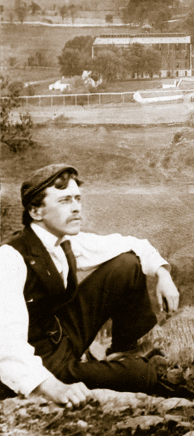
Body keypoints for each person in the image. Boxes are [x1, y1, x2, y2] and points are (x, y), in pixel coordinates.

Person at [0, 164, 183, 407]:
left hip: (64, 335)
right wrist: (51, 386)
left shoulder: (64, 241)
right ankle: (130, 369)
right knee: (142, 374)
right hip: (42, 361)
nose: (76, 207)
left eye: (78, 198)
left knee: (127, 264)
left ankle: (124, 350)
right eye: (65, 200)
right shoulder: (10, 259)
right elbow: (6, 344)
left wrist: (163, 274)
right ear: (35, 211)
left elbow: (130, 244)